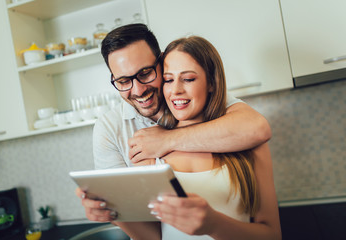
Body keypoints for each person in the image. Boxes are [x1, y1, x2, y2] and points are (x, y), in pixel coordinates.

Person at [75, 24, 272, 224]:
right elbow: (144, 224)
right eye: (124, 81)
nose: (138, 90)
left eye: (144, 73)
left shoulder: (196, 99)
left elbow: (257, 128)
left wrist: (167, 140)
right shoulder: (109, 128)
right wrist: (111, 212)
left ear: (161, 62)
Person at [110, 36, 281, 240]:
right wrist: (115, 213)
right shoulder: (147, 150)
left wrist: (214, 224)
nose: (175, 90)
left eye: (188, 79)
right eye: (168, 80)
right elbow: (153, 238)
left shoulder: (247, 143)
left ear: (211, 83)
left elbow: (272, 235)